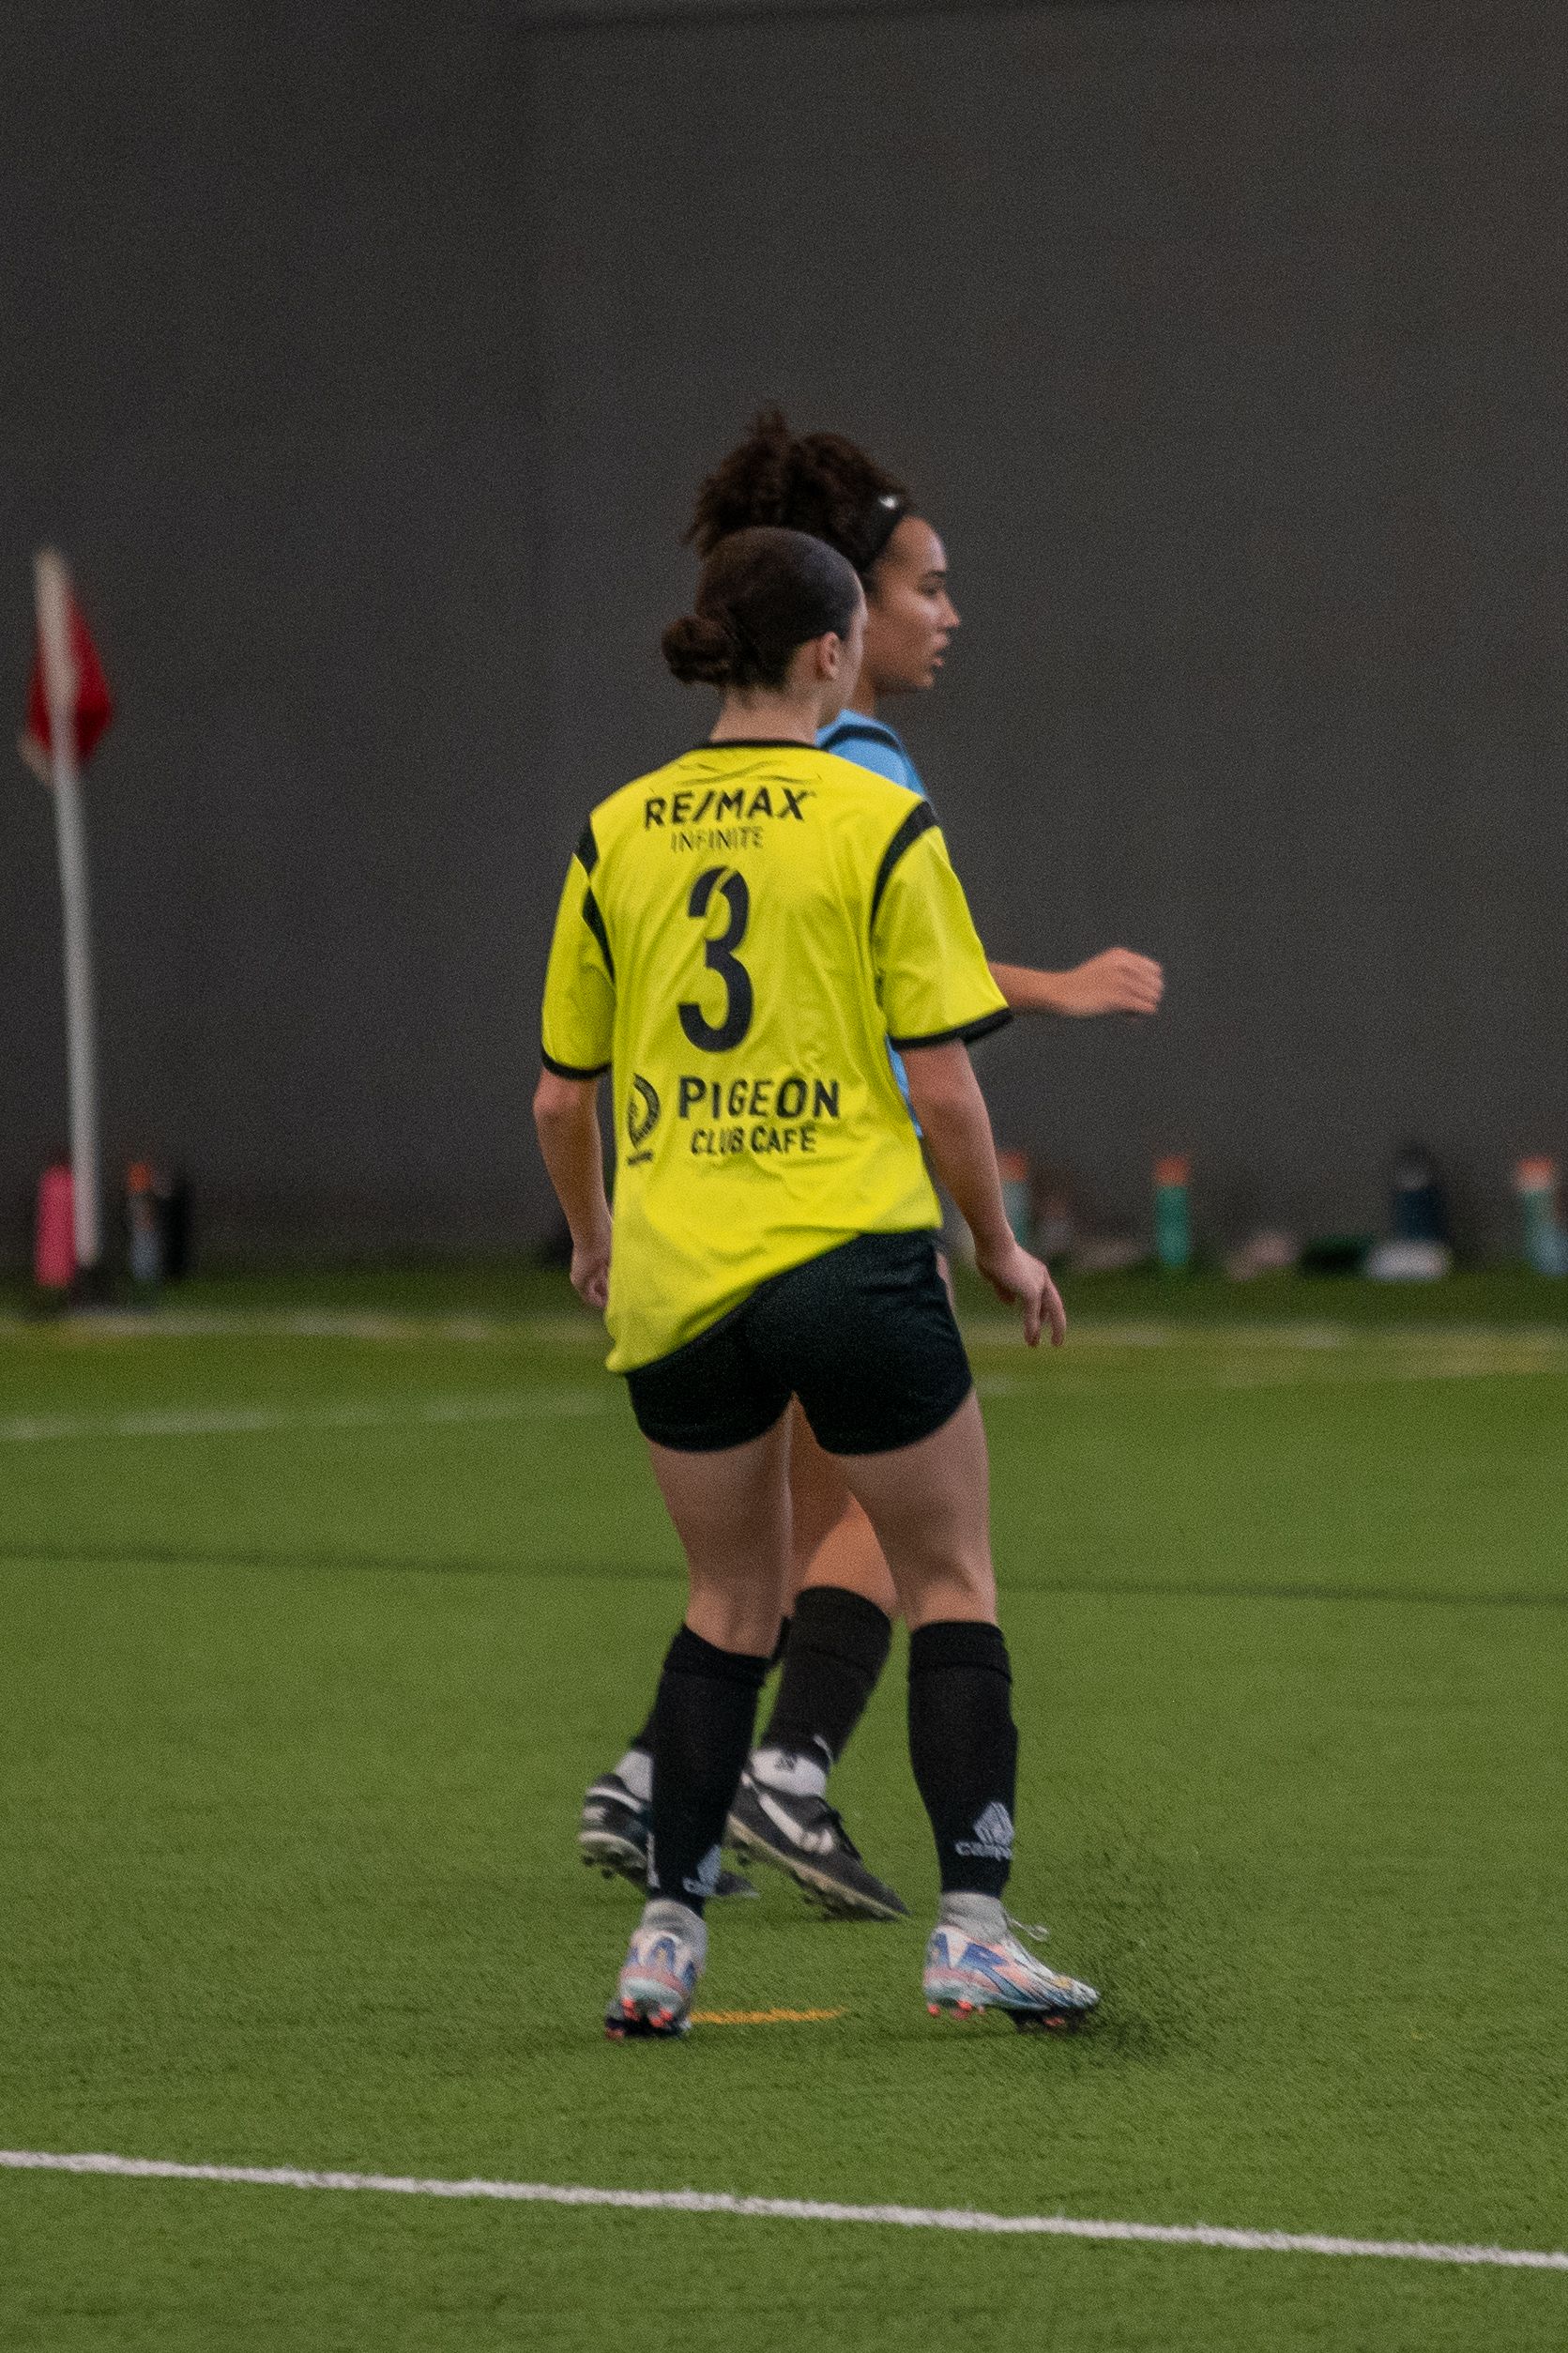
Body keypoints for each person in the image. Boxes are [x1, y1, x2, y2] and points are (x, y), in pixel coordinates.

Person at [579, 416, 1162, 1919]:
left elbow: (562, 1084)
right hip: (843, 1200)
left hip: (692, 1228)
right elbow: (917, 1004)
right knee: (907, 1540)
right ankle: (807, 1781)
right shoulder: (857, 765)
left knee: (754, 1559)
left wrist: (593, 1227)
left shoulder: (646, 810)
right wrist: (1044, 1029)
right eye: (926, 587)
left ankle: (657, 1799)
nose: (947, 615)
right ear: (840, 623)